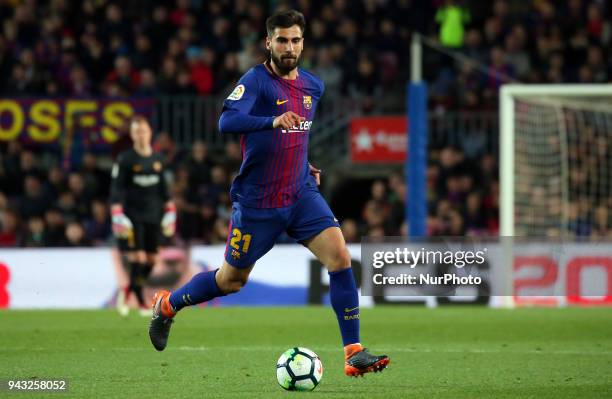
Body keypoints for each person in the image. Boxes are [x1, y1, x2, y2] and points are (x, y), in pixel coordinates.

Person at [148, 10, 389, 377]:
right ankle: (168, 305)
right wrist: (271, 121)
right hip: (259, 203)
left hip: (300, 194)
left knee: (340, 258)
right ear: (268, 43)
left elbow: (298, 135)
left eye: (295, 40)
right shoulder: (256, 81)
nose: (288, 47)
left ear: (303, 43)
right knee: (231, 280)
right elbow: (226, 121)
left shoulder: (313, 87)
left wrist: (303, 162)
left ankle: (353, 353)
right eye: (281, 40)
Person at [111, 115, 176, 316]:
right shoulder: (125, 159)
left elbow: (165, 191)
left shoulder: (158, 160)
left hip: (154, 215)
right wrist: (117, 213)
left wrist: (171, 213)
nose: (141, 135)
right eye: (137, 131)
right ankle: (139, 301)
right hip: (133, 215)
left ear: (149, 133)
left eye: (144, 131)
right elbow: (117, 188)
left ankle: (128, 290)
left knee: (152, 259)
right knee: (138, 257)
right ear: (132, 135)